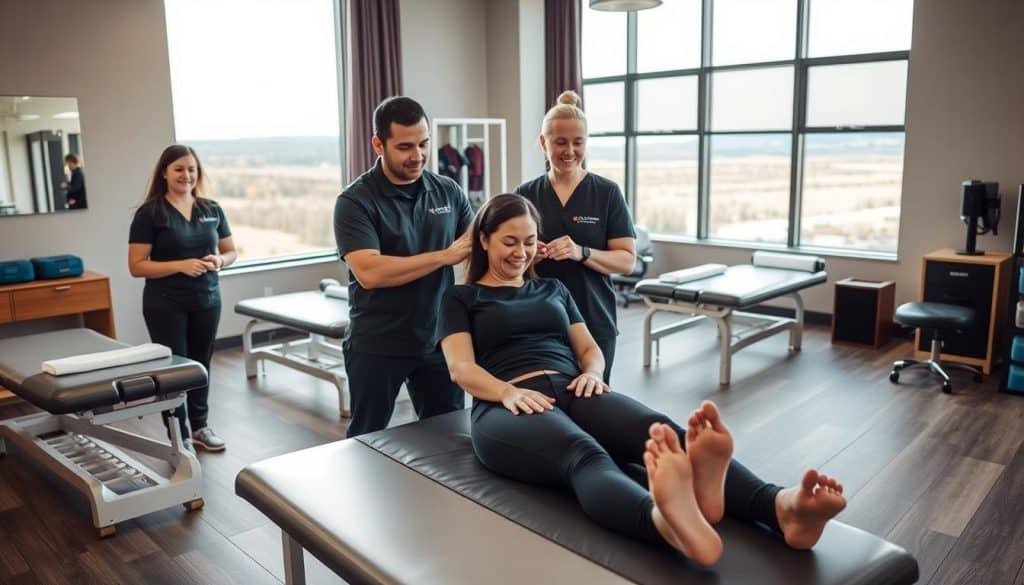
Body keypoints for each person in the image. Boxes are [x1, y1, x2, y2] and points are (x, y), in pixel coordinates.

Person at [439, 194, 847, 566]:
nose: (521, 251)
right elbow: (462, 369)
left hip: (573, 386)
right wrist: (509, 391)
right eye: (509, 241)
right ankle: (665, 524)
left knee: (662, 432)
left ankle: (781, 508)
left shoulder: (553, 288)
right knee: (584, 454)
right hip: (505, 406)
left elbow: (588, 349)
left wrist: (593, 374)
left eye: (529, 241)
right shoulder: (462, 298)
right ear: (485, 241)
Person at [334, 96, 474, 438]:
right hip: (378, 343)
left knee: (449, 436)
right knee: (366, 440)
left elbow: (474, 248)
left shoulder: (447, 190)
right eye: (405, 147)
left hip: (439, 339)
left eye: (424, 143)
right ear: (378, 144)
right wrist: (443, 256)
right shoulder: (354, 202)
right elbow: (371, 272)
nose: (418, 156)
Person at [515, 90, 636, 383]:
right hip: (538, 322)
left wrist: (581, 251)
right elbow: (508, 257)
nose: (569, 151)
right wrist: (531, 253)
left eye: (578, 142)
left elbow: (626, 261)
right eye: (560, 142)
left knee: (593, 403)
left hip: (594, 321)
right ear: (543, 143)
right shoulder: (525, 195)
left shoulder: (606, 193)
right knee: (547, 408)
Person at [128, 144, 237, 452]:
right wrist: (180, 265)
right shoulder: (149, 213)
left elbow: (231, 252)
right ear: (164, 172)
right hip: (165, 304)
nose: (186, 175)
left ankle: (201, 427)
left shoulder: (211, 209)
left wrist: (220, 261)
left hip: (207, 299)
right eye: (178, 169)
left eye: (191, 169)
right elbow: (136, 266)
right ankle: (179, 433)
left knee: (201, 365)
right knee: (174, 370)